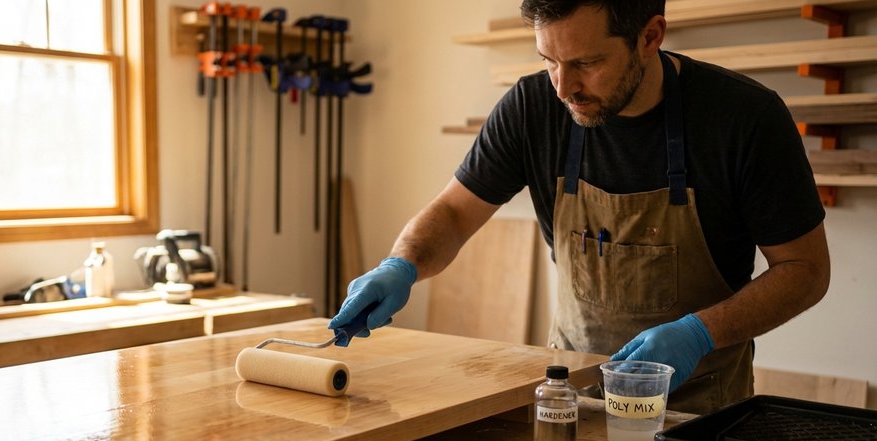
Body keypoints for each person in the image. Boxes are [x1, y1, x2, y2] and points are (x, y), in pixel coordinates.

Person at [329, 0, 830, 414]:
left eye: (587, 63)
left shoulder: (744, 119)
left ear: (651, 36)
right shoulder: (532, 109)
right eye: (548, 60)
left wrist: (700, 333)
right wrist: (403, 263)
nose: (563, 87)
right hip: (570, 401)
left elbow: (805, 270)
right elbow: (455, 213)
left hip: (697, 413)